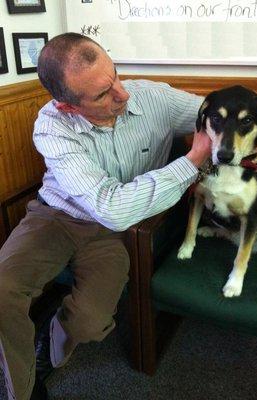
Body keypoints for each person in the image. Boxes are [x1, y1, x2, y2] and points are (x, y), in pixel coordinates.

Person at [0, 32, 212, 400]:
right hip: (55, 216)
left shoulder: (153, 96)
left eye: (114, 75)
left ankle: (54, 330)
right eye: (102, 94)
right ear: (68, 106)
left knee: (89, 325)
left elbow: (217, 112)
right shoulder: (52, 125)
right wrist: (190, 164)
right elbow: (111, 205)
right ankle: (22, 390)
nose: (122, 94)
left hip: (115, 232)